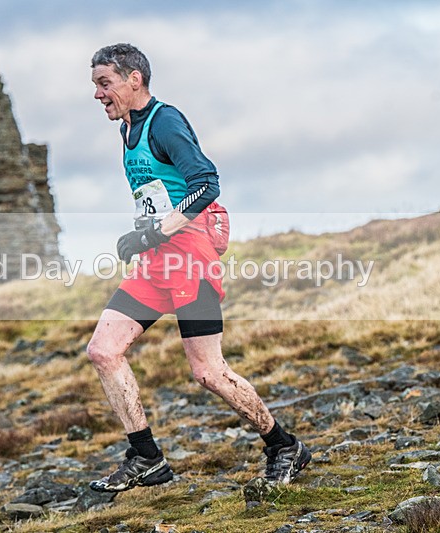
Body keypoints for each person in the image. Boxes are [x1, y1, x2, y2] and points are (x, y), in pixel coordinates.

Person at [87, 43, 310, 493]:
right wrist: (144, 235)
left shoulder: (164, 121)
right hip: (156, 263)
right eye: (95, 85)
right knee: (103, 350)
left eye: (104, 83)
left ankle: (283, 446)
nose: (97, 94)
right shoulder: (127, 126)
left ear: (135, 79)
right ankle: (147, 457)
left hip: (190, 257)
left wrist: (155, 232)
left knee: (209, 372)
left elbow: (205, 183)